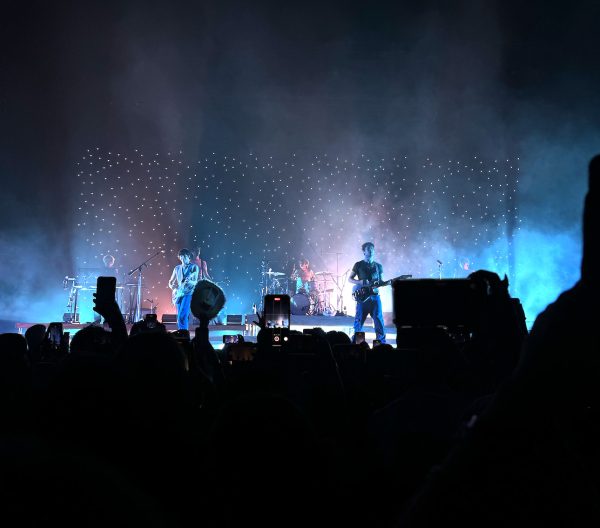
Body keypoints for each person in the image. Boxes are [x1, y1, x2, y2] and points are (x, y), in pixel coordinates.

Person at [348, 242, 386, 344]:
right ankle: (358, 345)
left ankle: (380, 346)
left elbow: (381, 282)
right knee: (358, 322)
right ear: (364, 251)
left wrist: (385, 283)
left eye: (372, 249)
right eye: (368, 249)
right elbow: (350, 279)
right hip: (363, 299)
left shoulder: (378, 266)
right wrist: (359, 282)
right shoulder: (358, 265)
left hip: (375, 298)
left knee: (379, 322)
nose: (371, 251)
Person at [168, 249, 199, 330]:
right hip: (178, 293)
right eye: (181, 257)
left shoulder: (194, 267)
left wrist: (189, 281)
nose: (182, 259)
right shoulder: (177, 268)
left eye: (184, 257)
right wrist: (174, 289)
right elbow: (170, 282)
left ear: (188, 257)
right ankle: (182, 332)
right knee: (179, 316)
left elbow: (195, 282)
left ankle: (184, 333)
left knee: (183, 314)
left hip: (188, 293)